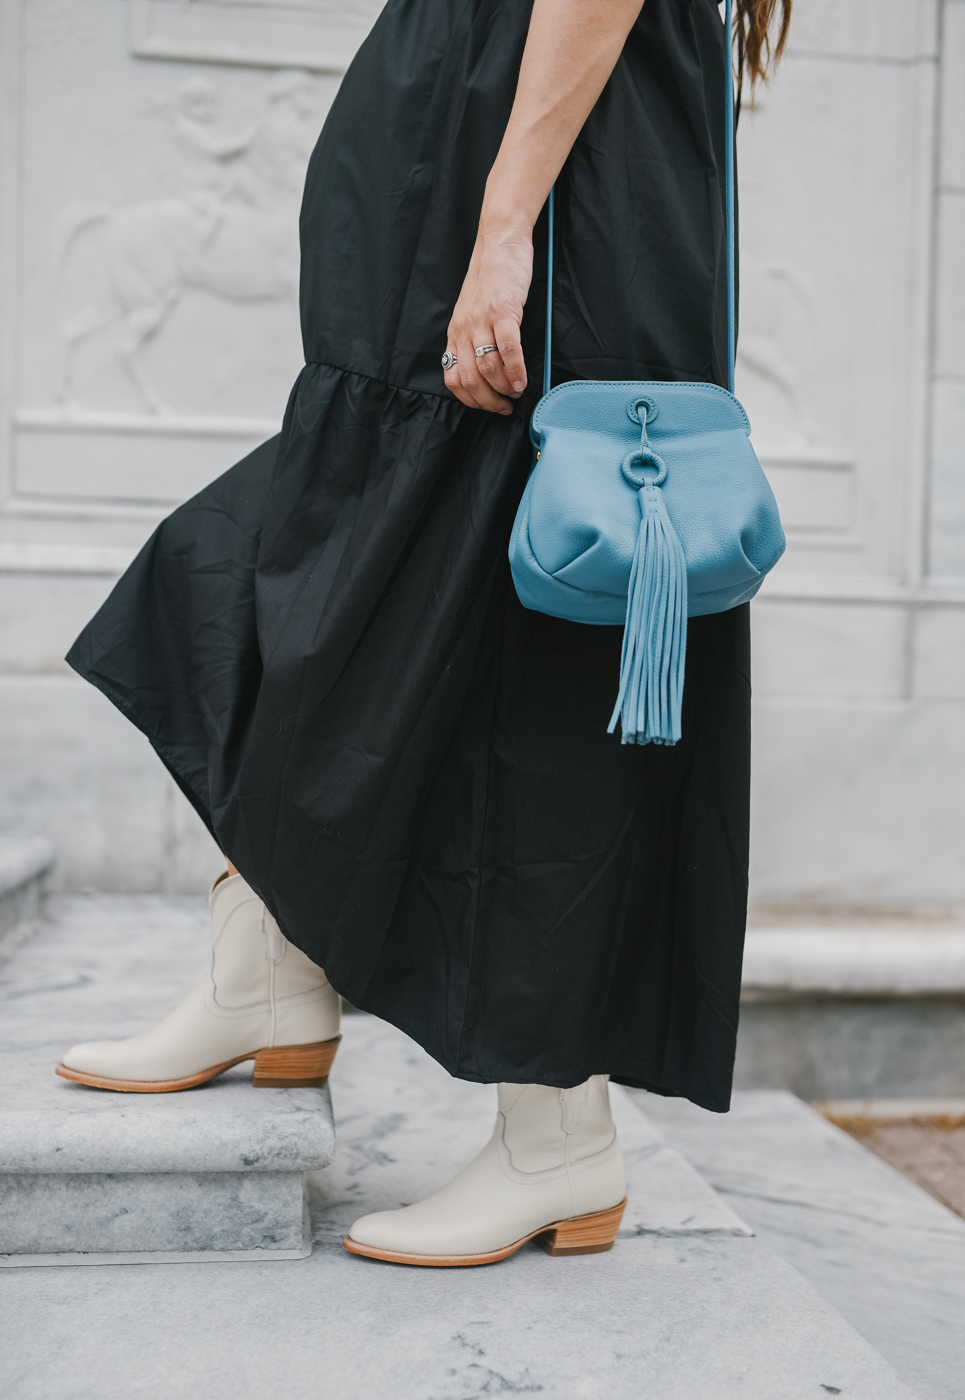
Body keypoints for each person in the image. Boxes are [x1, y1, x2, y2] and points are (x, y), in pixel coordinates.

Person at [57, 0, 790, 1267]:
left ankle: (556, 1135)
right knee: (371, 574)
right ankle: (270, 956)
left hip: (539, 194)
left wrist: (503, 224)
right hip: (471, 162)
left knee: (526, 638)